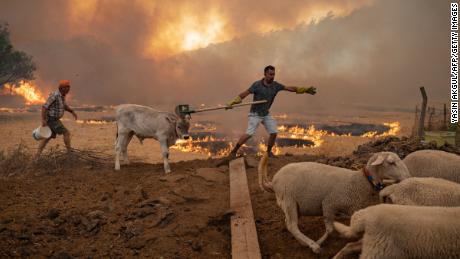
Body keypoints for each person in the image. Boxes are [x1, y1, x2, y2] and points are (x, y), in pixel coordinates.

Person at [226, 65, 316, 158]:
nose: (272, 76)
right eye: (270, 74)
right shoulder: (257, 85)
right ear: (265, 74)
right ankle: (234, 151)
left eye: (273, 74)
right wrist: (234, 101)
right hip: (255, 114)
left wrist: (304, 90)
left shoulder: (275, 85)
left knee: (273, 133)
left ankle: (268, 152)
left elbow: (290, 88)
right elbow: (245, 93)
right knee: (249, 134)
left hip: (265, 114)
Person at [36, 80, 78, 155]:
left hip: (54, 119)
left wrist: (72, 111)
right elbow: (44, 107)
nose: (68, 90)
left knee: (48, 137)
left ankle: (37, 155)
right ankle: (69, 153)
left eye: (69, 88)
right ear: (61, 88)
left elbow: (64, 106)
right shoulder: (55, 95)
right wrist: (43, 120)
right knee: (66, 133)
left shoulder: (62, 96)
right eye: (67, 88)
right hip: (52, 120)